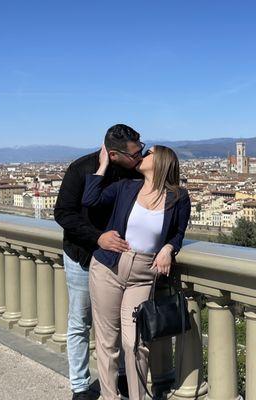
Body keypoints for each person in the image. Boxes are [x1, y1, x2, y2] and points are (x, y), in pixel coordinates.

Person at [82, 144, 191, 400]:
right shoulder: (126, 187)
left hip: (143, 275)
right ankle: (110, 397)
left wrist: (167, 249)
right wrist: (103, 165)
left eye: (149, 152)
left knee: (135, 343)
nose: (142, 156)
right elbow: (90, 201)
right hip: (108, 267)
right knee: (107, 342)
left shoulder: (178, 196)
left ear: (162, 160)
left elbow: (178, 234)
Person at [54, 124, 145, 400]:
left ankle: (120, 377)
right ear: (114, 155)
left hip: (117, 261)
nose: (139, 157)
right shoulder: (79, 170)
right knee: (81, 322)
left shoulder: (132, 168)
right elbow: (63, 214)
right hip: (83, 256)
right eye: (135, 154)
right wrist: (98, 238)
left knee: (116, 323)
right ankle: (81, 387)